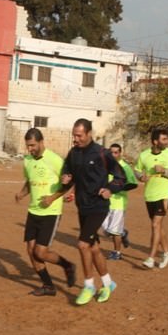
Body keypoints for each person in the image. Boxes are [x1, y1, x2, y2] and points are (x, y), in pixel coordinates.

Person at [43, 118, 126, 305]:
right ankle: (108, 283)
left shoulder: (102, 154)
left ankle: (89, 285)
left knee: (82, 244)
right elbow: (68, 173)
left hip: (99, 207)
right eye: (74, 135)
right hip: (83, 206)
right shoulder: (73, 154)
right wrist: (66, 178)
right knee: (94, 247)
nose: (76, 139)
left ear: (89, 134)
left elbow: (121, 177)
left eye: (79, 135)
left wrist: (110, 189)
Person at [15, 128, 76, 296]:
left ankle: (67, 265)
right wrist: (21, 193)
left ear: (41, 142)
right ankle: (48, 286)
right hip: (33, 211)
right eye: (28, 146)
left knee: (40, 252)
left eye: (33, 145)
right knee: (30, 251)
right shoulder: (27, 161)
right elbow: (30, 181)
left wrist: (53, 198)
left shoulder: (55, 160)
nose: (30, 149)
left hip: (51, 212)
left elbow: (68, 183)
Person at [134, 128, 168, 269]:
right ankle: (167, 251)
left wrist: (164, 171)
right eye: (164, 139)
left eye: (167, 139)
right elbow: (137, 170)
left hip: (165, 194)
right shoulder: (144, 155)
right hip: (150, 195)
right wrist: (140, 177)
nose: (167, 142)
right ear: (155, 141)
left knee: (155, 224)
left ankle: (150, 258)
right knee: (158, 226)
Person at [103, 143, 137, 260]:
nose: (113, 155)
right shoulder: (106, 166)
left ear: (120, 153)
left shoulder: (125, 167)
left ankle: (117, 252)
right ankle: (123, 233)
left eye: (116, 152)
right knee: (106, 230)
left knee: (114, 231)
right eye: (111, 152)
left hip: (118, 203)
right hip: (105, 202)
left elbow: (133, 184)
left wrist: (114, 189)